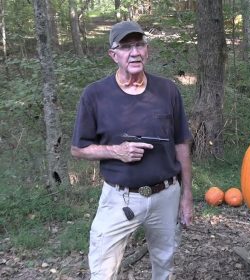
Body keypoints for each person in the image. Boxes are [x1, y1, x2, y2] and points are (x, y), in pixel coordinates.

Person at [70, 21, 193, 280]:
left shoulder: (167, 90)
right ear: (113, 55)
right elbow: (78, 149)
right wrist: (117, 151)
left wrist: (186, 195)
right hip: (120, 199)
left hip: (166, 195)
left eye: (139, 45)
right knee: (103, 268)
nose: (134, 52)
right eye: (126, 47)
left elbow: (182, 143)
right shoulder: (95, 95)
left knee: (164, 261)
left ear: (147, 50)